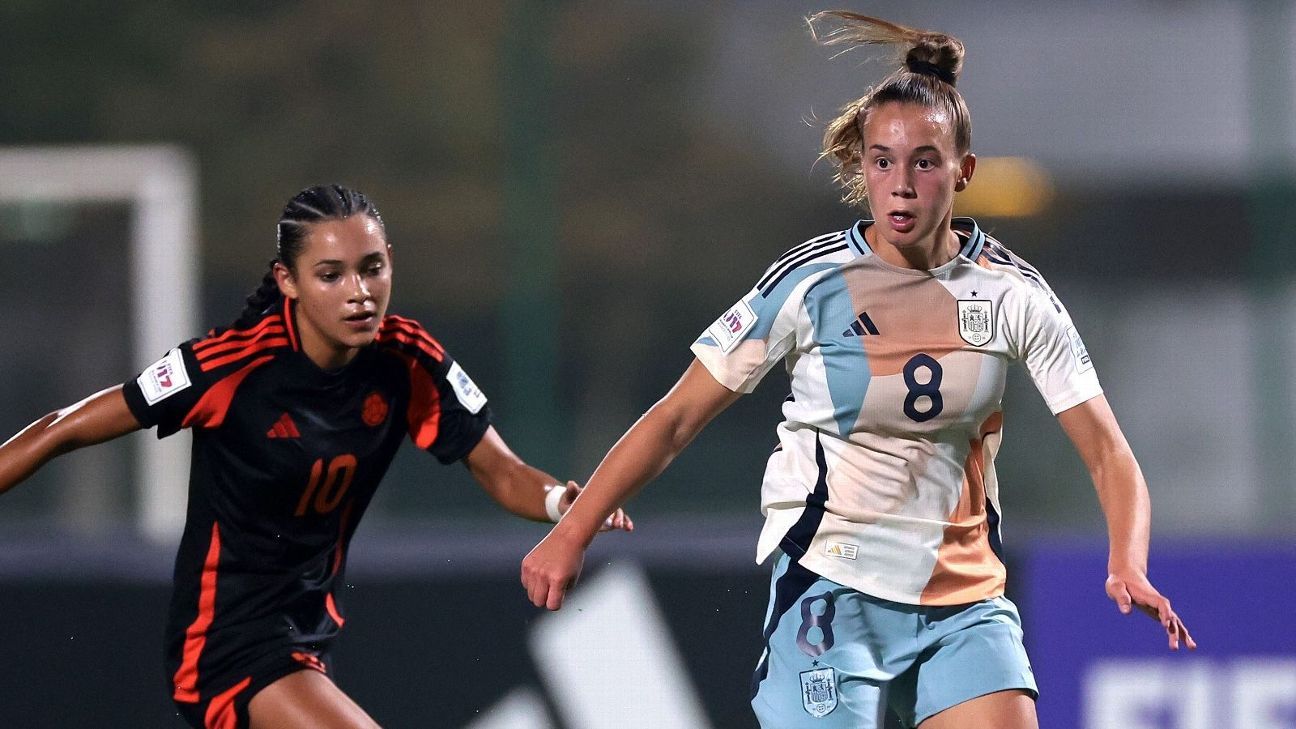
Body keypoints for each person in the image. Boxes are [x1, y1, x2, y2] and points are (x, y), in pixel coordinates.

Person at [521, 11, 1194, 729]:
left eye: (924, 161)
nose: (900, 184)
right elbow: (678, 415)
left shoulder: (1012, 293)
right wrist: (574, 529)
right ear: (862, 167)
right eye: (881, 161)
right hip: (831, 593)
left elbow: (1108, 452)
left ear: (963, 171)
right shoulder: (810, 284)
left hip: (965, 607)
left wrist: (1129, 560)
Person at [0, 184, 632, 729]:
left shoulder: (408, 361)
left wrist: (558, 502)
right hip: (225, 643)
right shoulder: (231, 367)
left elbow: (500, 467)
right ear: (288, 282)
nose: (359, 292)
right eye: (331, 275)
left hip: (310, 636)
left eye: (373, 267)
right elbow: (62, 428)